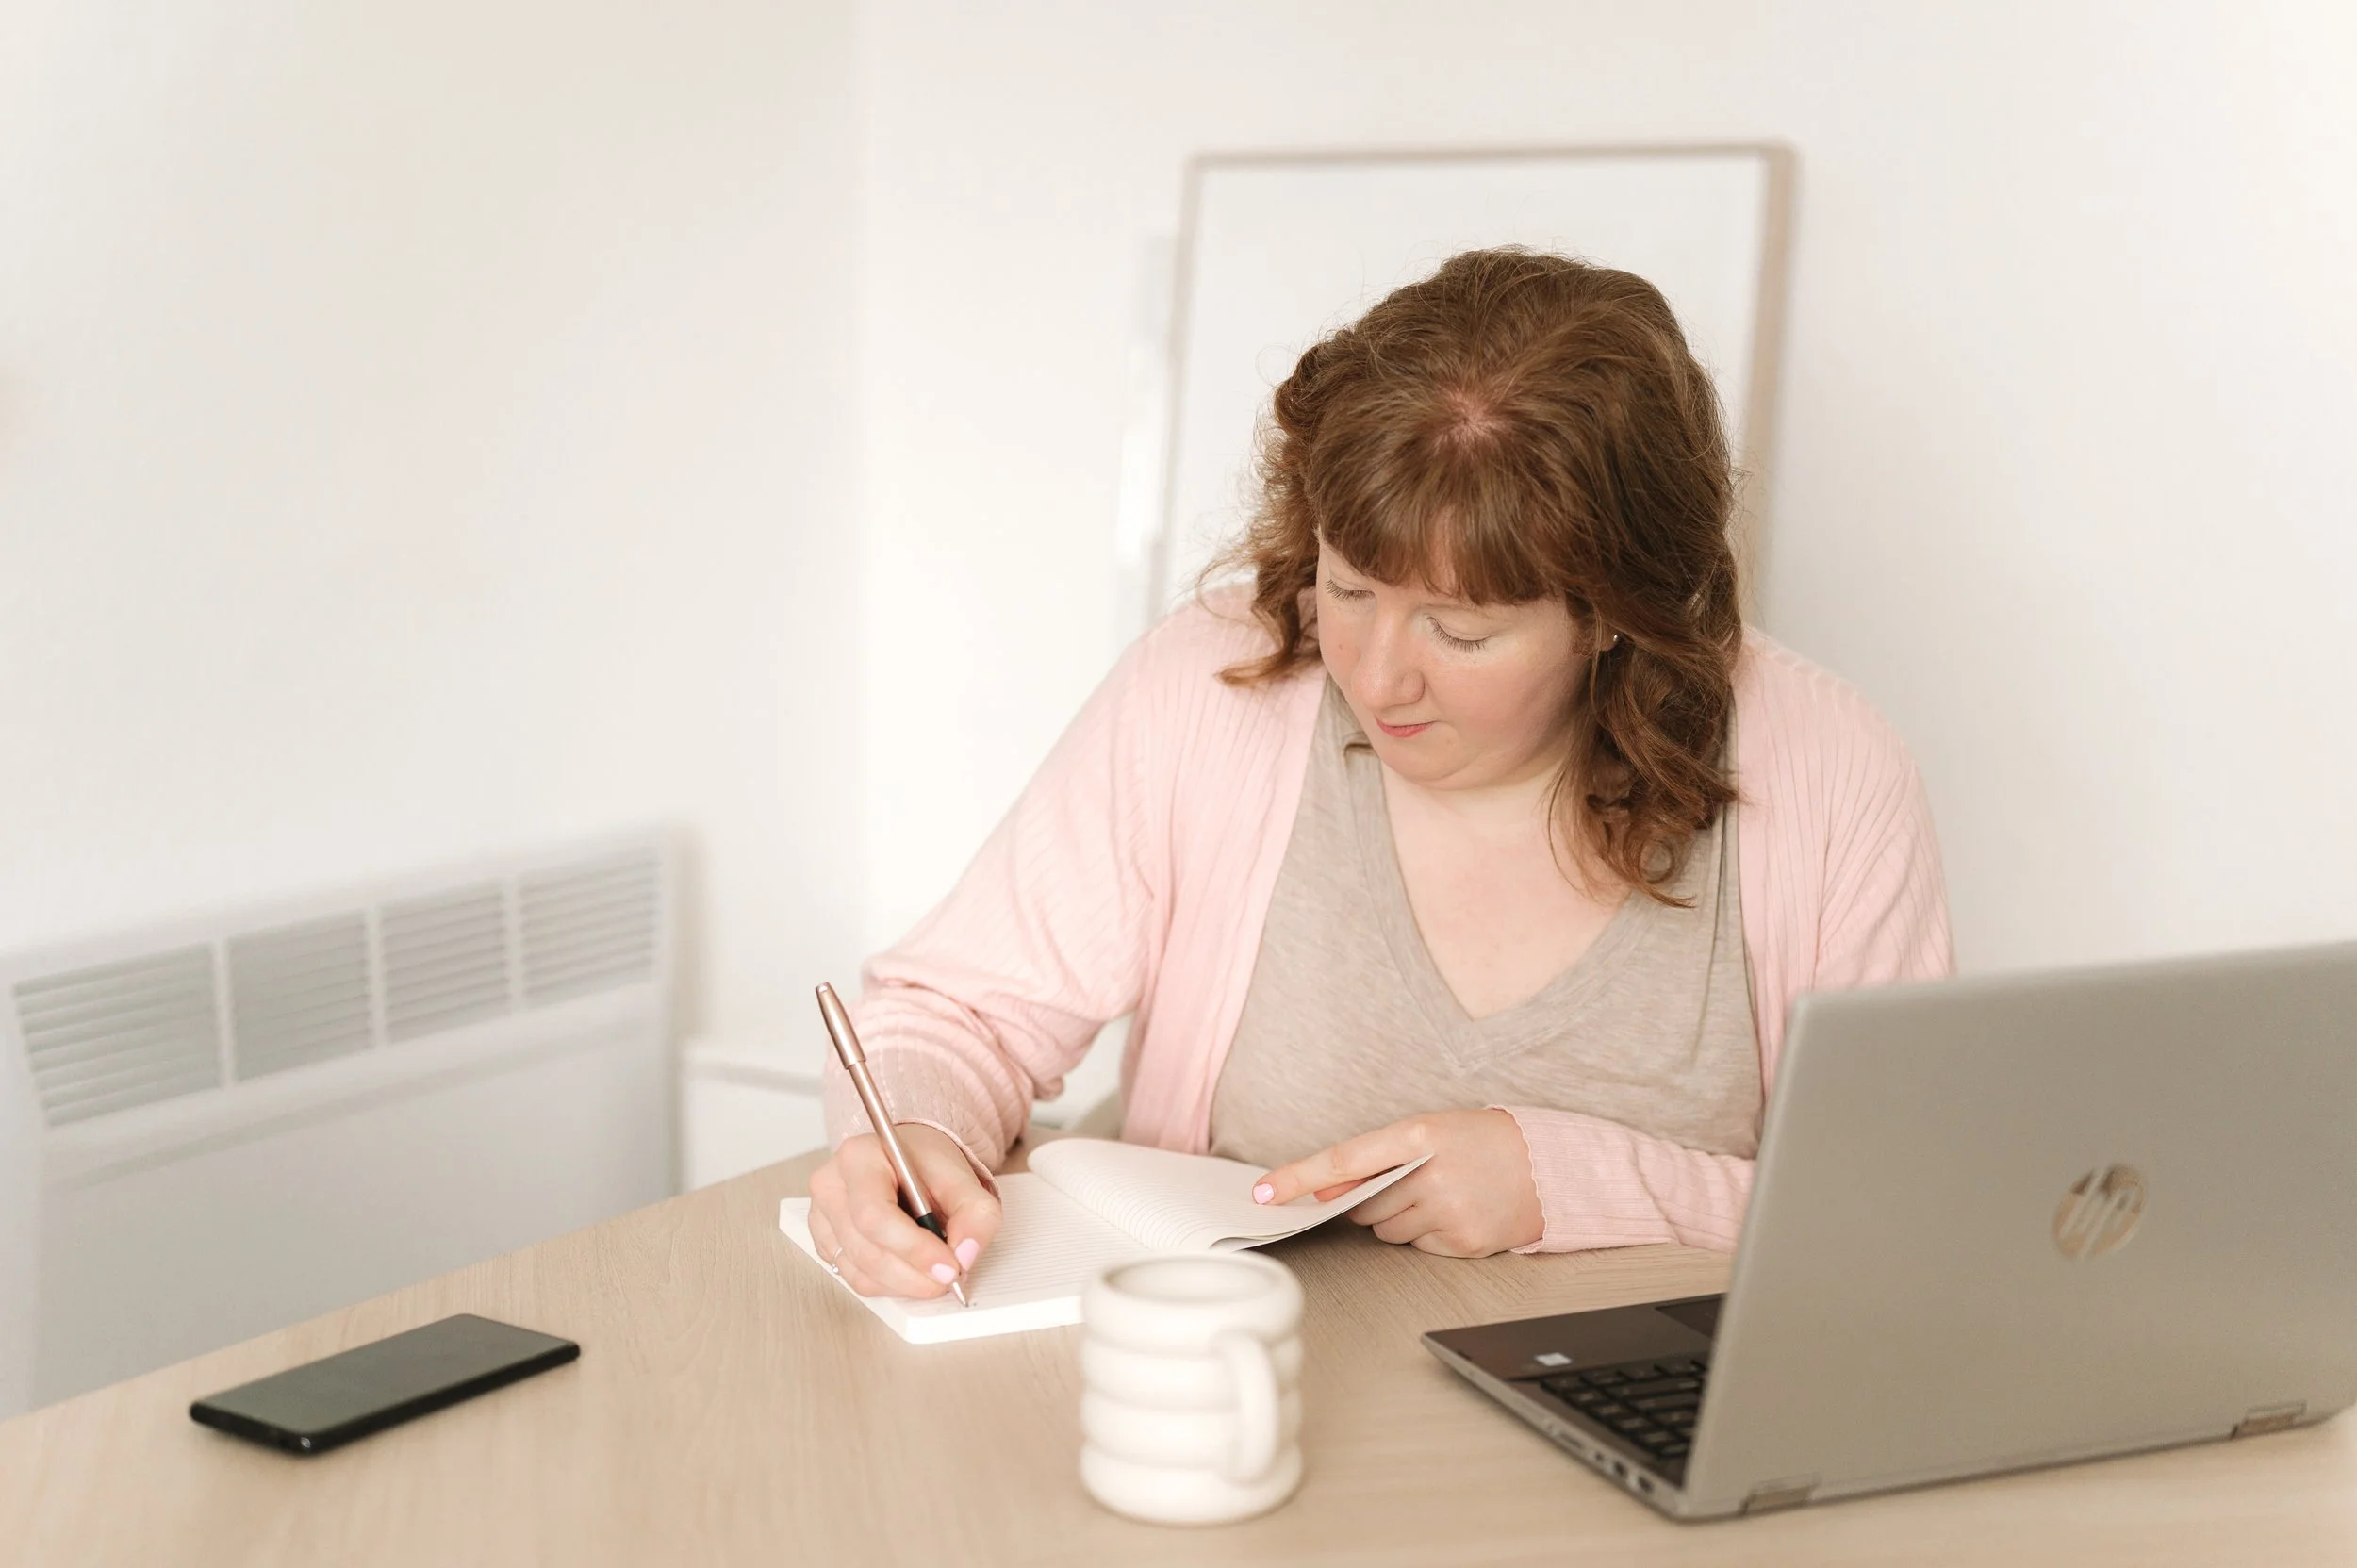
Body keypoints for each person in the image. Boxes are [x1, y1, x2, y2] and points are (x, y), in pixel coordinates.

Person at [806, 247, 1952, 1301]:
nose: (1375, 677)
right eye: (1348, 588)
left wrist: (1572, 1184)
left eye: (1459, 632)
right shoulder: (1210, 691)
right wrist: (916, 1134)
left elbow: (1907, 1203)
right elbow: (957, 1012)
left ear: (1612, 618)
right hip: (1244, 1404)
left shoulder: (1827, 768)